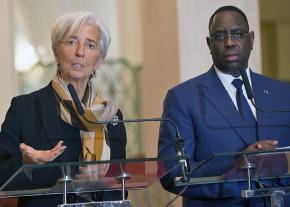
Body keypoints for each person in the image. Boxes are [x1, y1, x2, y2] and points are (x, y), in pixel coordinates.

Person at [158, 5, 290, 207]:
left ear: (251, 39)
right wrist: (236, 169)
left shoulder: (283, 93)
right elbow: (172, 174)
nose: (229, 42)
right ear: (209, 44)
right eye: (220, 36)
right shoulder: (183, 98)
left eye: (237, 34)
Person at [0, 11, 127, 207]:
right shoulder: (25, 109)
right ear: (56, 52)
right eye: (71, 42)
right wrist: (28, 163)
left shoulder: (111, 116)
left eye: (90, 45)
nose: (80, 52)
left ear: (99, 60)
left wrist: (97, 185)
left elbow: (120, 185)